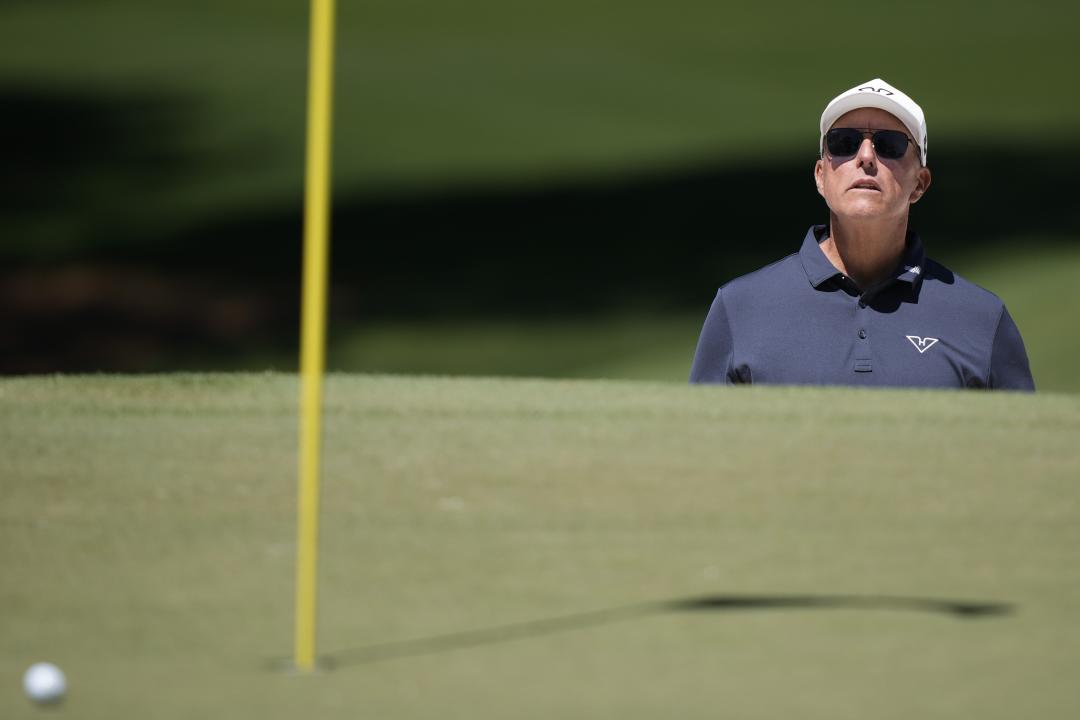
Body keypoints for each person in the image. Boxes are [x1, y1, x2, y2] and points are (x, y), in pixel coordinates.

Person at [689, 78, 1034, 390]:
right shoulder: (739, 307)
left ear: (920, 183)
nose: (866, 156)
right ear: (821, 176)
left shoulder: (982, 318)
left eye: (889, 145)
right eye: (845, 142)